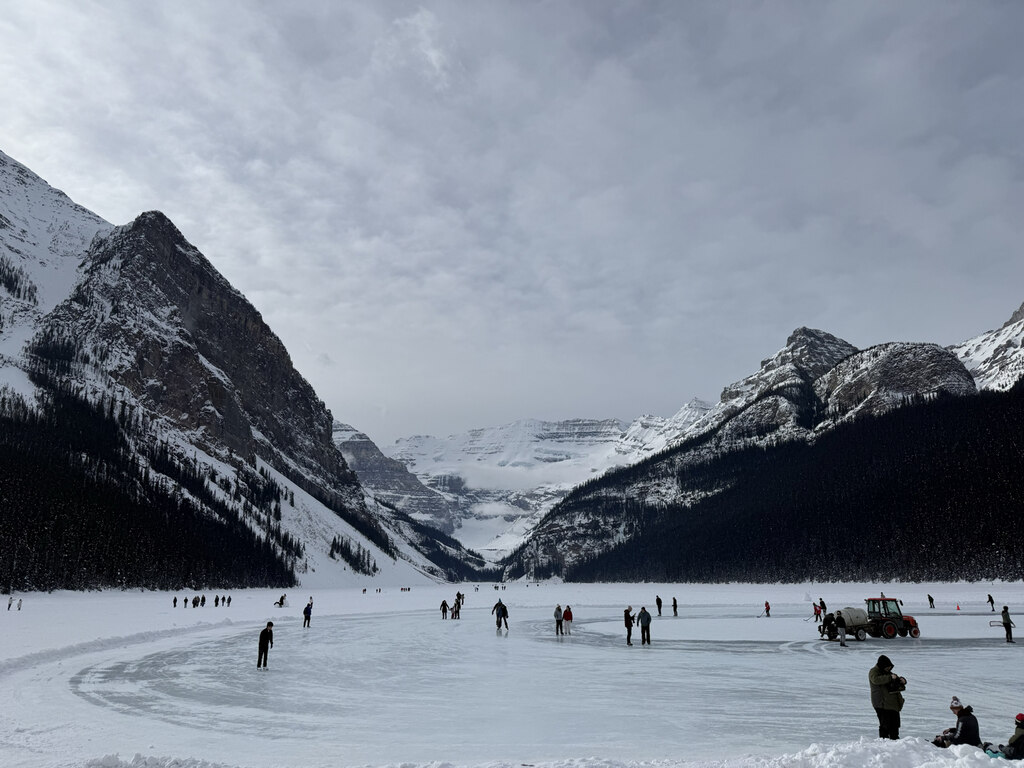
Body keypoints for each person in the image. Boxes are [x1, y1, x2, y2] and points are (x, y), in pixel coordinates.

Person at [869, 654, 905, 739]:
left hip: (893, 704)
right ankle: (884, 742)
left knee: (895, 724)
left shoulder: (888, 673)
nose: (889, 669)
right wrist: (890, 677)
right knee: (885, 724)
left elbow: (897, 684)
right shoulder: (874, 672)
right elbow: (876, 680)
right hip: (882, 704)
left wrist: (901, 681)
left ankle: (894, 740)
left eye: (890, 667)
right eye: (887, 667)